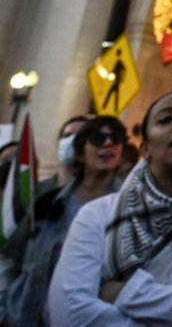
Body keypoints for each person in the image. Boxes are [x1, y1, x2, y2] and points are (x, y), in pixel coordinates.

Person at [48, 93, 172, 326]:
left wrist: (124, 293)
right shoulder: (96, 215)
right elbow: (70, 315)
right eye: (165, 119)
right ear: (146, 147)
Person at [0, 116, 125, 325]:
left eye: (116, 137)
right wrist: (4, 306)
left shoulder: (129, 210)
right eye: (97, 137)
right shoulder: (46, 203)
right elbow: (9, 256)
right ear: (79, 152)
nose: (108, 143)